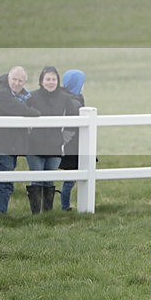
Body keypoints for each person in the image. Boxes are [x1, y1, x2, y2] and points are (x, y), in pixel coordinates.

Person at [0, 66, 41, 216]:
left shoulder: (14, 94)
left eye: (21, 81)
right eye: (14, 79)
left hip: (1, 146)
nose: (17, 83)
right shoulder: (1, 93)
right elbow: (21, 110)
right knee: (4, 184)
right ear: (8, 77)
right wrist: (35, 113)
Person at [25, 66, 79, 214]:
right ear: (41, 81)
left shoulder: (65, 98)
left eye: (54, 79)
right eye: (48, 79)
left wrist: (63, 139)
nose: (51, 82)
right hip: (34, 146)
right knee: (36, 180)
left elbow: (74, 120)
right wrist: (27, 136)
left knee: (49, 180)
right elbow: (21, 114)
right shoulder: (32, 96)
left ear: (58, 81)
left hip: (55, 146)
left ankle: (48, 214)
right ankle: (36, 214)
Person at [59, 69, 86, 211]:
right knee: (70, 178)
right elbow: (71, 127)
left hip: (75, 144)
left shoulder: (74, 98)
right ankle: (65, 206)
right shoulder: (73, 102)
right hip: (73, 146)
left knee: (73, 177)